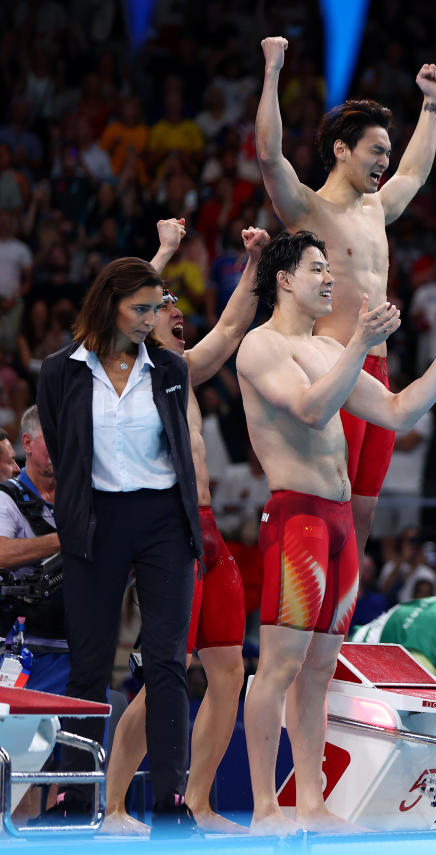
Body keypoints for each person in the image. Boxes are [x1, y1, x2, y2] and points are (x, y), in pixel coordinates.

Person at [238, 230, 436, 835]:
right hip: (296, 518)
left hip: (341, 524)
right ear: (284, 279)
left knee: (321, 669)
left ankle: (312, 803)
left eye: (331, 270)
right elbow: (313, 410)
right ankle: (266, 806)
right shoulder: (260, 347)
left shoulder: (327, 348)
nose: (331, 280)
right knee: (278, 667)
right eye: (318, 269)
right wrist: (361, 344)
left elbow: (397, 411)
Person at [102, 222, 267, 836]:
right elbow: (119, 312)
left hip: (211, 533)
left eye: (171, 304)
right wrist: (165, 251)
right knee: (165, 671)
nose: (172, 313)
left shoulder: (183, 372)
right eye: (161, 306)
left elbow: (231, 326)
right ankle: (114, 806)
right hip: (168, 530)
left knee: (229, 670)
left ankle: (196, 802)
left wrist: (254, 262)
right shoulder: (134, 375)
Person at [256, 36, 436, 561]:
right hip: (334, 371)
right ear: (342, 150)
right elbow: (269, 156)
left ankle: (341, 627)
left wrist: (431, 104)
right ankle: (309, 624)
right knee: (331, 503)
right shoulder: (308, 211)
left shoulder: (375, 209)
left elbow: (415, 172)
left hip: (379, 375)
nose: (386, 161)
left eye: (387, 150)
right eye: (376, 150)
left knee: (363, 513)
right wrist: (273, 69)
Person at [36, 256, 201, 834]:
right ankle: (77, 797)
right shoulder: (60, 371)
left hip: (163, 521)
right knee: (88, 666)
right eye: (140, 308)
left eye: (156, 308)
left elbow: (175, 450)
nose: (150, 319)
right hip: (97, 520)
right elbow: (62, 447)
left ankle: (171, 802)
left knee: (165, 664)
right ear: (109, 304)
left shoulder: (170, 368)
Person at [0, 406, 61, 692]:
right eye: (53, 439)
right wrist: (66, 540)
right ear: (27, 444)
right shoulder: (6, 497)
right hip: (26, 648)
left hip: (82, 646)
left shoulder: (83, 501)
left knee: (82, 734)